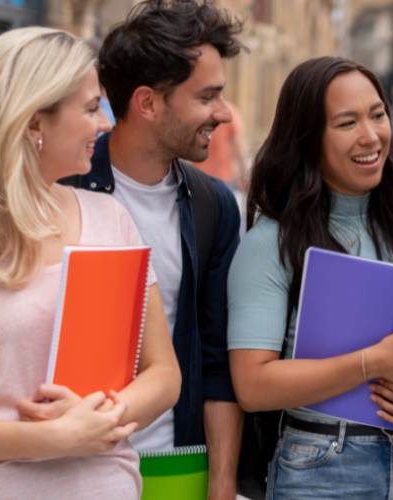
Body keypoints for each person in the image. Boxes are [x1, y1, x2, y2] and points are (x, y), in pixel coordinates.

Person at [0, 27, 181, 499]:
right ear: (33, 123)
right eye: (90, 108)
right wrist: (49, 438)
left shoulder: (112, 221)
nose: (106, 123)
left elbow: (164, 374)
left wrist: (101, 415)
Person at [228, 57, 393, 500]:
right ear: (308, 139)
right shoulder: (272, 243)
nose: (371, 135)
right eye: (346, 123)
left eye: (378, 115)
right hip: (322, 466)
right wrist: (370, 363)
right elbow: (252, 385)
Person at [57, 1, 246, 498]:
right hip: (64, 464)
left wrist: (221, 483)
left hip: (170, 467)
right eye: (208, 97)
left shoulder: (214, 206)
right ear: (147, 103)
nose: (223, 114)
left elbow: (216, 359)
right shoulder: (61, 187)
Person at [194, 100, 249, 189]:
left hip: (199, 177)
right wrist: (245, 174)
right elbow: (239, 146)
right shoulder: (229, 111)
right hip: (224, 178)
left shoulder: (197, 112)